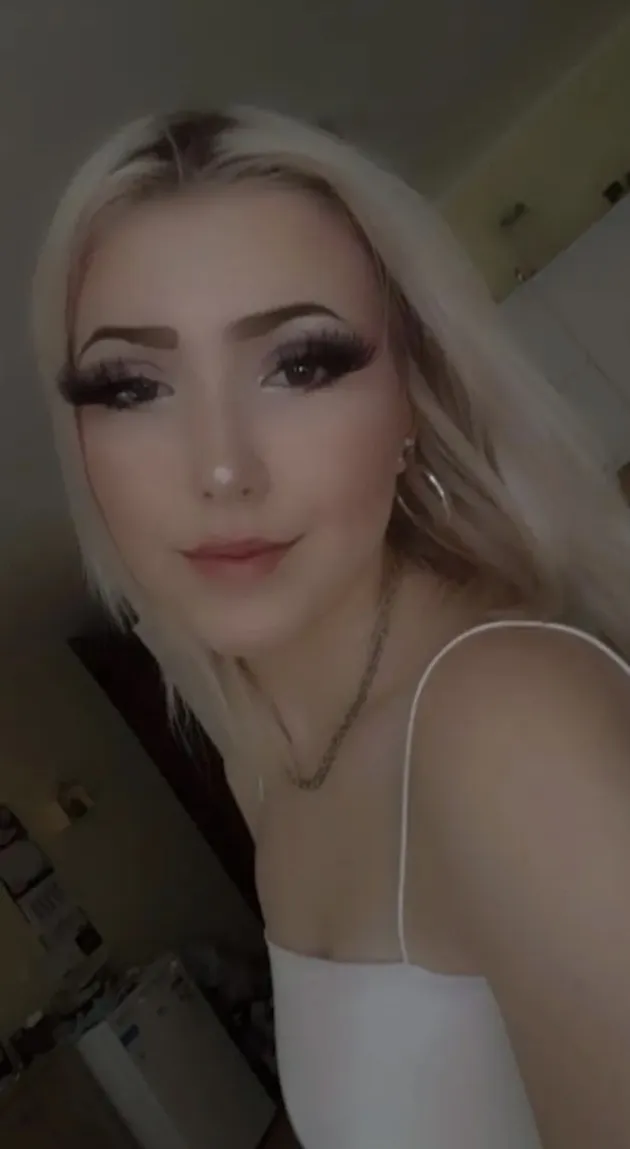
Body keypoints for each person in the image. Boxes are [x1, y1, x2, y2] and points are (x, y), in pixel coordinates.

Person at [32, 108, 630, 1149]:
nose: (223, 468)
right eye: (134, 386)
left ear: (413, 397)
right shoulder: (261, 748)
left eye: (299, 364)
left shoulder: (505, 724)